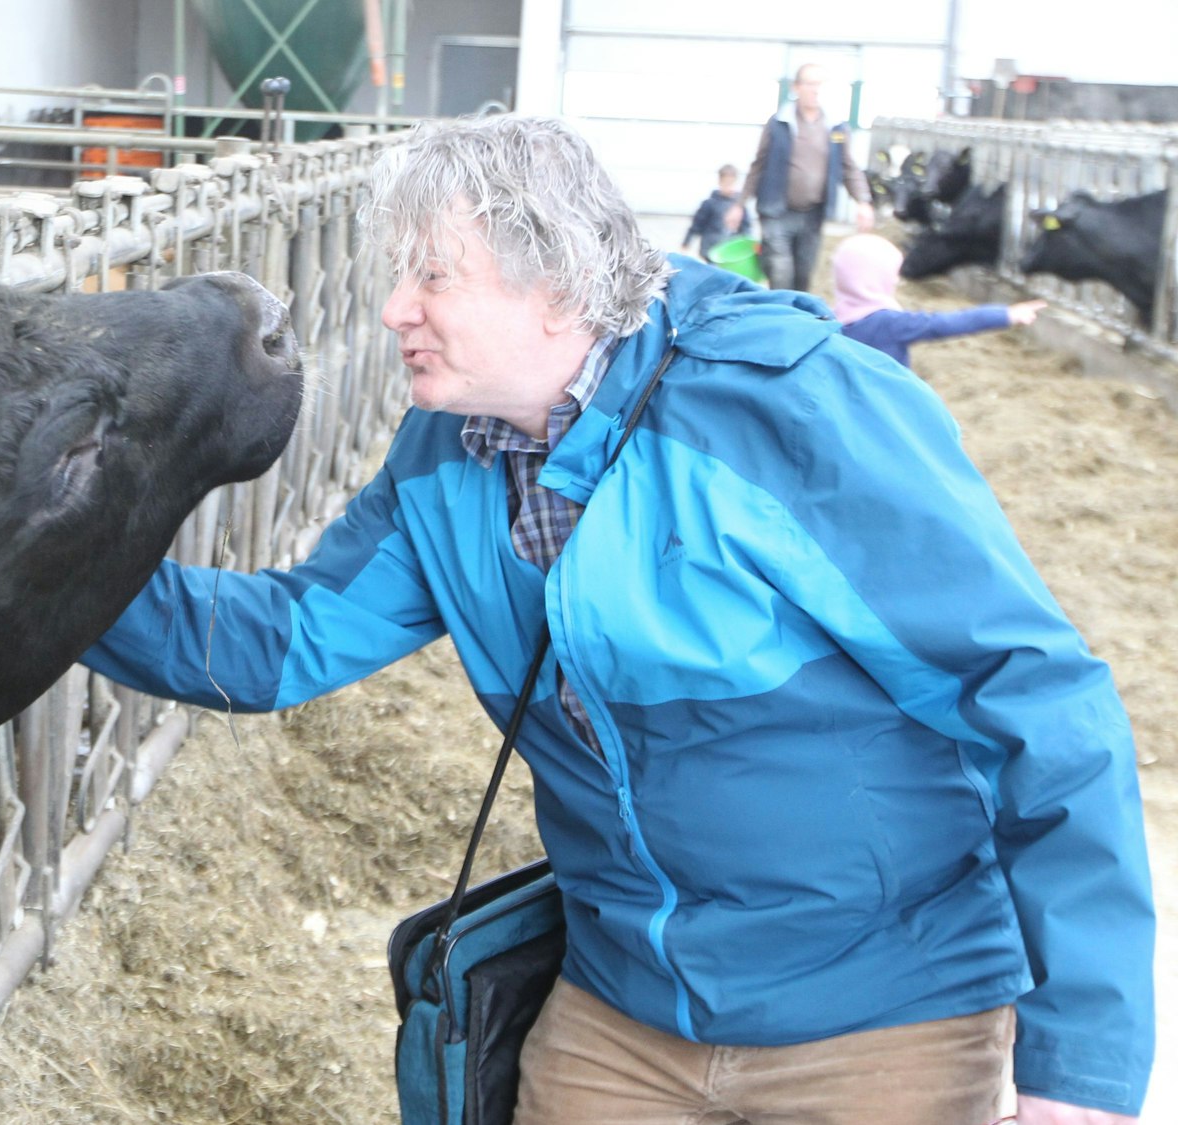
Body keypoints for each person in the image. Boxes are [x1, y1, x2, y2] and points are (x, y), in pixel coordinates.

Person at [84, 114, 1153, 1125]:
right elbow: (280, 644)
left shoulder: (791, 412)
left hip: (881, 1017)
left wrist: (1082, 1060)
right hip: (622, 1009)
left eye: (432, 275)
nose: (394, 309)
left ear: (553, 284)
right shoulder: (447, 454)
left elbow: (1036, 700)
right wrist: (34, 554)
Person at [741, 62, 876, 291]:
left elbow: (848, 166)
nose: (816, 90)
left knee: (804, 274)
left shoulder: (836, 127)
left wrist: (863, 201)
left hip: (812, 214)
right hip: (777, 210)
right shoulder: (778, 123)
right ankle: (780, 311)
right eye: (810, 84)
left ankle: (798, 313)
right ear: (796, 87)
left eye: (820, 84)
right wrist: (739, 203)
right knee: (781, 271)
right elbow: (759, 163)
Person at [833, 232, 1045, 368]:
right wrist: (1005, 314)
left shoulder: (831, 322)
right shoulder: (888, 323)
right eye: (891, 274)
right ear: (875, 278)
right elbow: (946, 324)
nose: (896, 280)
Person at [679, 163, 753, 262]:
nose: (728, 186)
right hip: (710, 250)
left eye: (731, 183)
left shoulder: (739, 207)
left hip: (730, 251)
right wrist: (686, 244)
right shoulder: (709, 204)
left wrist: (749, 246)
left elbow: (746, 228)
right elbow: (696, 226)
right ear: (719, 181)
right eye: (725, 183)